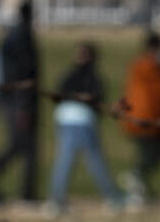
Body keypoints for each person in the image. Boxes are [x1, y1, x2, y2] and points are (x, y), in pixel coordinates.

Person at [48, 39, 123, 211]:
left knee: (66, 161)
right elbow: (97, 100)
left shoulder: (69, 76)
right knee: (93, 161)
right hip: (81, 121)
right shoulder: (92, 78)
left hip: (65, 119)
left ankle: (56, 200)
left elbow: (57, 96)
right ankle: (112, 197)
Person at [116, 31, 160, 203]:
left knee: (154, 154)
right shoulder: (147, 67)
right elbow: (154, 97)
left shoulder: (155, 68)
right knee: (151, 155)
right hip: (146, 120)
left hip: (150, 119)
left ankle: (141, 187)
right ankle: (135, 183)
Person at [0, 0, 42, 200]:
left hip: (13, 98)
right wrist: (23, 105)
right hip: (20, 100)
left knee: (23, 146)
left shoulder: (12, 35)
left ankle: (27, 191)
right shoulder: (23, 38)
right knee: (22, 145)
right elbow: (21, 74)